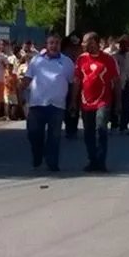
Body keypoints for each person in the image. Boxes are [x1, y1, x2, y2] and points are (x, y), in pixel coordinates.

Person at [21, 34, 75, 172]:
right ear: (46, 44)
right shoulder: (36, 60)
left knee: (55, 137)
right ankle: (38, 156)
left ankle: (52, 163)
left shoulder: (67, 62)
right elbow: (27, 79)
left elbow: (73, 83)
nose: (54, 45)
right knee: (33, 134)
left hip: (57, 106)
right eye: (51, 43)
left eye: (57, 43)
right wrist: (20, 95)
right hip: (37, 104)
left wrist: (73, 102)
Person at [75, 33, 120, 172]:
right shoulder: (81, 59)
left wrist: (119, 103)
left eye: (85, 42)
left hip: (103, 101)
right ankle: (92, 160)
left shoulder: (108, 59)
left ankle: (101, 161)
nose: (82, 45)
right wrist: (72, 101)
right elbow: (77, 82)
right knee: (88, 132)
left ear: (94, 42)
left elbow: (116, 82)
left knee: (101, 128)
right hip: (86, 102)